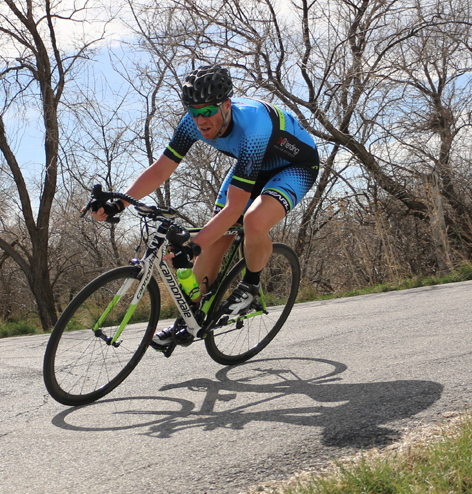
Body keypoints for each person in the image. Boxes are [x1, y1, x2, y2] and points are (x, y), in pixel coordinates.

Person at [91, 64, 319, 350]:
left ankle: (250, 287)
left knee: (252, 222)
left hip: (295, 167)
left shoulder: (253, 125)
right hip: (252, 166)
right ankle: (189, 320)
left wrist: (192, 246)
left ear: (226, 105)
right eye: (194, 112)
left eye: (207, 111)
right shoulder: (192, 123)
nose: (200, 120)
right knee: (214, 240)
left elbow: (235, 208)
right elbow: (161, 170)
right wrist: (118, 203)